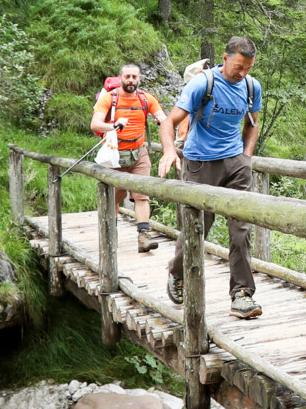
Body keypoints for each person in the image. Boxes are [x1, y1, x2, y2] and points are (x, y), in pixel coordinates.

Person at [160, 37, 263, 319]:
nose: (242, 74)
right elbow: (170, 122)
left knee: (241, 228)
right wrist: (169, 150)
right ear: (225, 57)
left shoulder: (252, 86)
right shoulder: (203, 84)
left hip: (235, 164)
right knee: (197, 227)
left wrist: (246, 156)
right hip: (199, 162)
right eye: (239, 67)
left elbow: (252, 122)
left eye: (248, 68)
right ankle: (177, 272)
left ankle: (242, 295)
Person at [90, 63, 178, 252]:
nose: (131, 80)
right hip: (115, 154)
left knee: (141, 195)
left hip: (139, 153)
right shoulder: (109, 98)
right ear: (121, 77)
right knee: (117, 196)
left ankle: (143, 237)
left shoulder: (146, 99)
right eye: (127, 76)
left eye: (134, 77)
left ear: (139, 79)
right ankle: (110, 234)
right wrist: (114, 124)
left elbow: (163, 118)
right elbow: (95, 124)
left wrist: (164, 122)